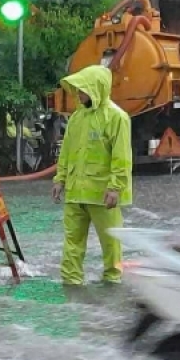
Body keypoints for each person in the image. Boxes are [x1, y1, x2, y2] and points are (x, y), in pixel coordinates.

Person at [52, 65, 132, 285]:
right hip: (75, 193)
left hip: (102, 194)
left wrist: (115, 187)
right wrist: (60, 180)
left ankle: (112, 282)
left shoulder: (116, 118)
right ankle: (71, 283)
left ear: (96, 88)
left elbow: (122, 157)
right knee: (72, 242)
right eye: (77, 89)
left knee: (111, 242)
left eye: (83, 89)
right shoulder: (76, 118)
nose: (78, 93)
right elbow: (66, 152)